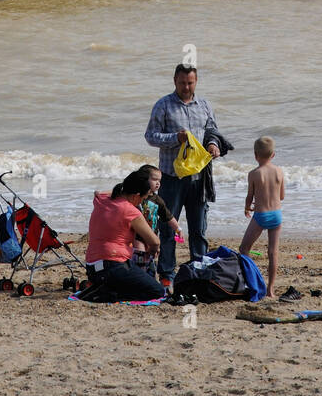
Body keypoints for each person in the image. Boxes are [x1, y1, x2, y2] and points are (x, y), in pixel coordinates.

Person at [145, 64, 227, 290]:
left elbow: (213, 132)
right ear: (174, 81)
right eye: (182, 83)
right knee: (168, 226)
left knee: (198, 228)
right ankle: (167, 274)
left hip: (199, 177)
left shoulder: (205, 105)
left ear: (196, 81)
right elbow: (150, 136)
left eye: (190, 83)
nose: (186, 87)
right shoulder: (163, 105)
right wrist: (176, 138)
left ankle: (198, 269)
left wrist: (212, 145)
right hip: (171, 177)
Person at [84, 169, 167, 301]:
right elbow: (155, 241)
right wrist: (153, 251)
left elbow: (98, 192)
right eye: (143, 198)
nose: (141, 203)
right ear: (136, 195)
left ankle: (103, 288)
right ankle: (106, 294)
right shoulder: (131, 211)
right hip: (113, 267)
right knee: (157, 291)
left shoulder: (101, 200)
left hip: (92, 268)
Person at [239, 136, 285, 298]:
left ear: (255, 155)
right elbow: (281, 196)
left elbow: (249, 196)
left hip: (261, 215)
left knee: (244, 249)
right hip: (276, 215)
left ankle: (251, 282)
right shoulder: (279, 171)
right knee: (273, 252)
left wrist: (247, 208)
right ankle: (270, 289)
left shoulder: (254, 174)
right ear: (273, 155)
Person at [130, 165, 181, 279]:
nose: (158, 183)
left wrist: (178, 229)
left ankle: (149, 279)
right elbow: (119, 195)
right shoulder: (136, 196)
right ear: (143, 179)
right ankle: (138, 278)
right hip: (137, 234)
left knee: (150, 259)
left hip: (151, 235)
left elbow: (168, 217)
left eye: (159, 180)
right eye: (154, 180)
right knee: (140, 256)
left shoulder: (158, 200)